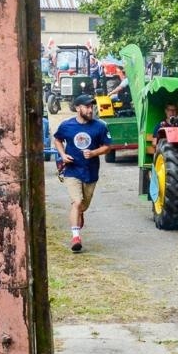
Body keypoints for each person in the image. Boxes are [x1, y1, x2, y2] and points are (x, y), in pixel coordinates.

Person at [53, 93, 112, 252]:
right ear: (78, 108)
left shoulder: (99, 126)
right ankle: (75, 237)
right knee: (77, 202)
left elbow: (107, 146)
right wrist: (63, 155)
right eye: (87, 106)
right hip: (72, 171)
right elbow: (57, 139)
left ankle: (79, 213)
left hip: (91, 172)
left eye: (91, 106)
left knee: (83, 205)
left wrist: (94, 153)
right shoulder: (67, 126)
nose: (90, 109)